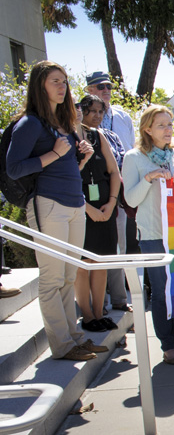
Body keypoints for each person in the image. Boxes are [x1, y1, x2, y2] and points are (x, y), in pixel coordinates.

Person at [7, 61, 106, 361]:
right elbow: (13, 168)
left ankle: (74, 338)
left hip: (74, 204)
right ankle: (62, 346)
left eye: (64, 81)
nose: (62, 86)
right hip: (48, 205)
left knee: (67, 276)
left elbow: (61, 167)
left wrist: (81, 160)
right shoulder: (30, 123)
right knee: (52, 280)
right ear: (40, 85)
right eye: (54, 81)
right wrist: (54, 153)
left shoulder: (62, 123)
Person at [122, 105, 174, 365]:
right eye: (161, 125)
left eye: (170, 125)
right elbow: (130, 200)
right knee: (160, 292)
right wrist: (148, 178)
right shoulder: (134, 157)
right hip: (152, 234)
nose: (168, 130)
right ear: (147, 129)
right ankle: (167, 345)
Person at [84, 71, 133, 314]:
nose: (106, 90)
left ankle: (119, 301)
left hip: (116, 196)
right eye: (100, 86)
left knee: (118, 248)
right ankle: (96, 305)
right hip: (88, 201)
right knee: (91, 255)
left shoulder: (119, 122)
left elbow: (127, 157)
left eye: (109, 86)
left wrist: (116, 198)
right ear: (89, 90)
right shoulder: (77, 131)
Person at [74, 94, 123, 333]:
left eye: (100, 111)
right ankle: (87, 315)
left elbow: (114, 172)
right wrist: (90, 210)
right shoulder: (67, 137)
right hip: (82, 209)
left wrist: (111, 203)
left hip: (105, 208)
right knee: (84, 263)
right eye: (91, 110)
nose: (96, 115)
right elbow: (67, 180)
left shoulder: (98, 135)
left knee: (101, 262)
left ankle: (99, 311)